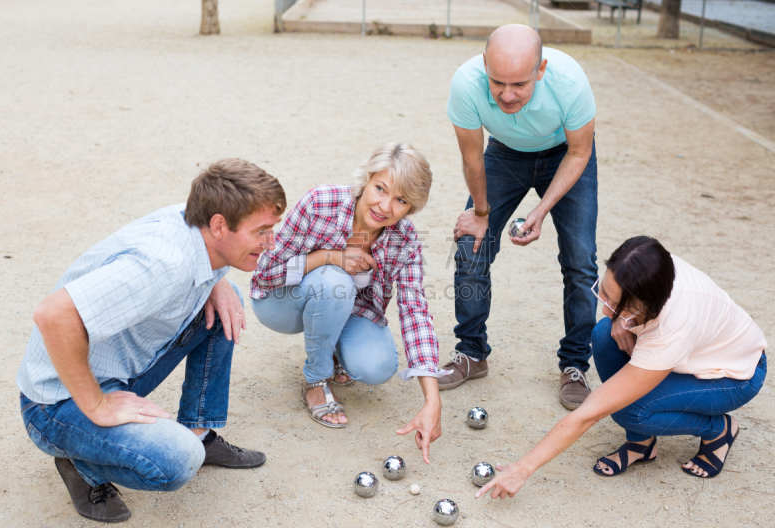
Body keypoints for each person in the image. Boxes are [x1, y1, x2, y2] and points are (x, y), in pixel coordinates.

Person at [16, 159, 286, 522]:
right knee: (178, 460)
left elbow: (208, 264)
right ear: (220, 225)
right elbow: (52, 314)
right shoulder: (163, 264)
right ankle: (82, 465)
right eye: (262, 231)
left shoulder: (204, 230)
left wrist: (216, 282)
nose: (271, 242)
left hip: (119, 369)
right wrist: (97, 404)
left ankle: (200, 430)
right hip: (56, 403)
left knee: (228, 298)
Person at [476, 236, 767, 500]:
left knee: (630, 410)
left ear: (649, 307)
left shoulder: (672, 329)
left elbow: (589, 414)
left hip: (734, 375)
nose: (605, 309)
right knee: (604, 334)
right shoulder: (646, 267)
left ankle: (719, 429)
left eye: (619, 306)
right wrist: (620, 316)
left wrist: (523, 468)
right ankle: (642, 444)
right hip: (687, 352)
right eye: (605, 293)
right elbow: (617, 311)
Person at [250, 142, 444, 463]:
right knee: (334, 281)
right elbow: (265, 272)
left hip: (349, 309)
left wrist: (432, 398)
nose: (384, 206)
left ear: (412, 207)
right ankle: (316, 380)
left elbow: (415, 311)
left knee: (377, 367)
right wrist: (331, 257)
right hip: (281, 301)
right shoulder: (319, 203)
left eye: (401, 200)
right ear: (366, 179)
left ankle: (335, 348)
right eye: (380, 188)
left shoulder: (405, 239)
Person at [442, 23, 599, 410]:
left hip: (564, 155)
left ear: (540, 70)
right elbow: (472, 157)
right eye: (497, 83)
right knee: (471, 244)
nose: (507, 95)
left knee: (580, 260)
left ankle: (576, 363)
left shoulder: (570, 83)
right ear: (484, 65)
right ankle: (471, 352)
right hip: (505, 154)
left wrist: (541, 209)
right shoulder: (466, 83)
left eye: (519, 85)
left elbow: (580, 153)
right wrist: (480, 213)